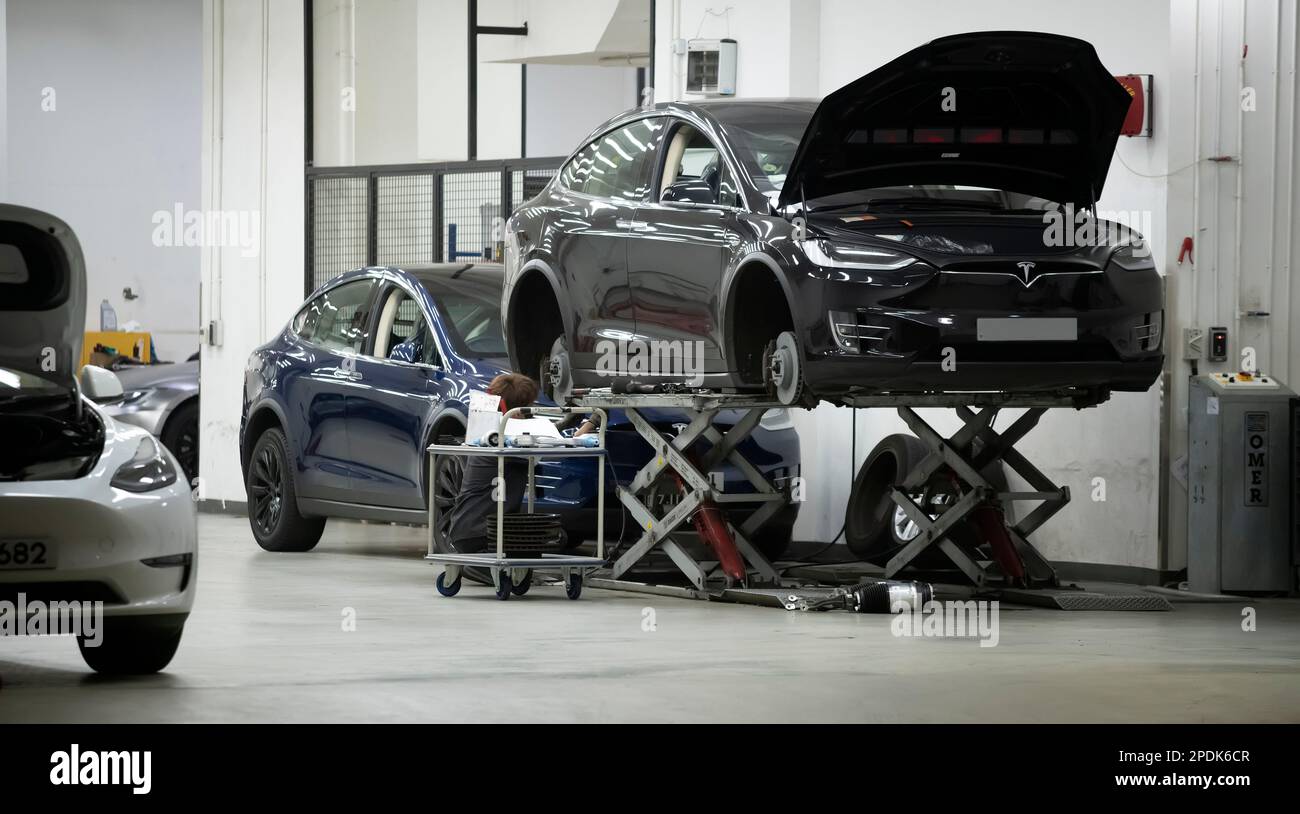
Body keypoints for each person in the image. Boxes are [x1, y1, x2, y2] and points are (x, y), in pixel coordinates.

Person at [444, 373, 540, 554]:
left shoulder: (486, 437)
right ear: (519, 411)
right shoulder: (507, 445)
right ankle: (478, 566)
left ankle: (486, 566)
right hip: (483, 533)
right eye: (530, 406)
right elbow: (548, 444)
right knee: (552, 536)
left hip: (468, 531)